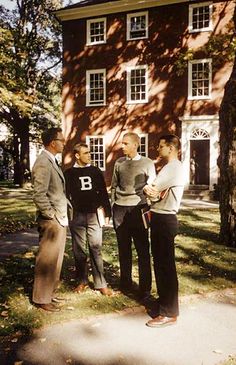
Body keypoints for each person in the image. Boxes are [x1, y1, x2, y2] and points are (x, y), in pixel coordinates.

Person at [144, 134, 185, 327]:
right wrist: (151, 192)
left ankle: (169, 312)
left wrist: (149, 189)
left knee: (165, 266)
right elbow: (153, 194)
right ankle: (164, 303)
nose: (157, 149)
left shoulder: (173, 168)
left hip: (165, 217)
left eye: (160, 146)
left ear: (170, 148)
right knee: (160, 264)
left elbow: (152, 189)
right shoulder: (170, 168)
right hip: (161, 217)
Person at [111, 132, 156, 301]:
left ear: (136, 145)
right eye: (122, 143)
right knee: (123, 250)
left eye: (125, 143)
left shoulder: (147, 163)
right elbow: (114, 187)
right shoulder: (119, 163)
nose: (122, 146)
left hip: (139, 210)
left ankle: (145, 289)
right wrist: (112, 207)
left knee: (143, 250)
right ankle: (125, 284)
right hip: (120, 210)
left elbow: (153, 184)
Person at [64, 143, 113, 296]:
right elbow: (65, 196)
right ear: (77, 155)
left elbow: (103, 192)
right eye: (85, 153)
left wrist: (107, 211)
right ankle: (82, 280)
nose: (89, 155)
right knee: (79, 250)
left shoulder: (95, 170)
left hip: (94, 214)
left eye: (89, 152)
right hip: (77, 215)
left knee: (96, 247)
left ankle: (100, 283)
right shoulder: (69, 173)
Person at [32, 127, 68, 312]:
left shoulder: (51, 160)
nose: (64, 142)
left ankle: (49, 294)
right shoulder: (43, 162)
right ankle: (41, 298)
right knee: (46, 258)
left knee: (56, 259)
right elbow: (39, 194)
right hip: (52, 220)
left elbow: (55, 191)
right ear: (53, 143)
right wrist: (51, 215)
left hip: (60, 218)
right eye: (61, 140)